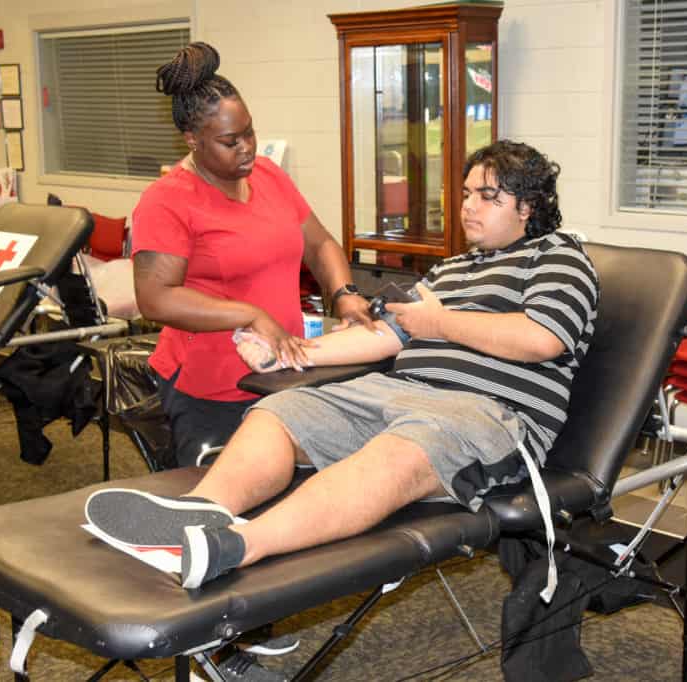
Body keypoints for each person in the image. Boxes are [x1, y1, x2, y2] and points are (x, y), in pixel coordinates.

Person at [91, 140, 599, 595]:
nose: (468, 205)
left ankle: (238, 547)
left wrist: (440, 323)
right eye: (466, 192)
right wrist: (290, 353)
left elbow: (543, 339)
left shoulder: (557, 258)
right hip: (397, 391)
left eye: (487, 196)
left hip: (486, 414)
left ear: (527, 207)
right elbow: (386, 335)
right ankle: (197, 512)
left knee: (401, 452)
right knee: (281, 409)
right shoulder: (451, 268)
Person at [130, 42, 372, 466]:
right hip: (211, 385)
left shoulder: (269, 176)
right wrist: (249, 313)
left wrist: (345, 292)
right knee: (223, 505)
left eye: (249, 132)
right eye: (229, 141)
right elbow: (157, 298)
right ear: (192, 139)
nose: (247, 148)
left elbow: (319, 244)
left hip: (282, 374)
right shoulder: (167, 201)